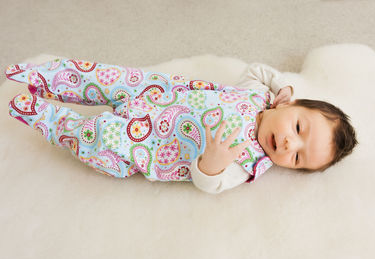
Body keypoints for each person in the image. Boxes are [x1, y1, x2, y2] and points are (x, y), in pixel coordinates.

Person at [5, 59, 357, 194]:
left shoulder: (248, 164)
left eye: (297, 158)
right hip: (156, 93)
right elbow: (257, 69)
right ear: (289, 105)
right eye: (298, 128)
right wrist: (282, 87)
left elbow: (212, 184)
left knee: (98, 143)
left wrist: (213, 163)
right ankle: (47, 77)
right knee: (109, 78)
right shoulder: (258, 95)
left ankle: (47, 118)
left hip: (147, 144)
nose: (287, 145)